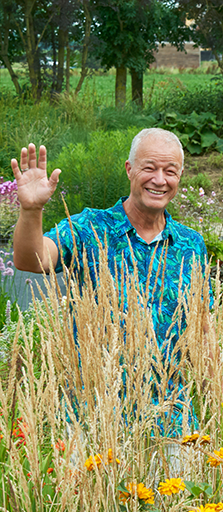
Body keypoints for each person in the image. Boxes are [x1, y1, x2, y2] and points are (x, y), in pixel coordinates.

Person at [10, 129, 208, 357]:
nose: (160, 180)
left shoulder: (190, 245)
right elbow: (32, 260)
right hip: (96, 391)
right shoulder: (88, 228)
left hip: (171, 393)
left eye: (170, 171)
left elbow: (202, 330)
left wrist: (215, 391)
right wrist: (31, 210)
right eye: (149, 168)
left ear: (180, 176)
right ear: (129, 169)